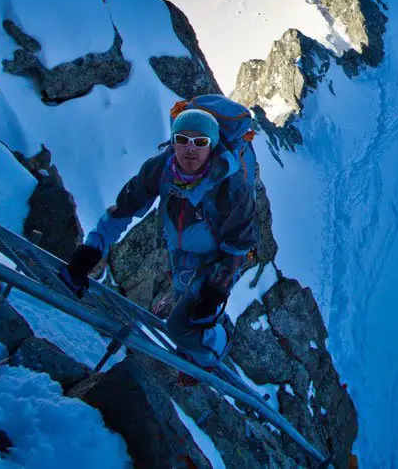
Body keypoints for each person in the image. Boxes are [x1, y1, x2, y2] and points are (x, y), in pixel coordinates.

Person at [58, 107, 256, 370]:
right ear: (173, 141)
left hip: (216, 259)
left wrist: (215, 291)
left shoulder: (231, 187)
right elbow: (123, 210)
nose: (190, 149)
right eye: (182, 140)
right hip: (180, 251)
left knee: (179, 327)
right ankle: (197, 341)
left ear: (212, 145)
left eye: (200, 142)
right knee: (184, 299)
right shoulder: (160, 170)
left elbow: (238, 245)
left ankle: (216, 346)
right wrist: (91, 251)